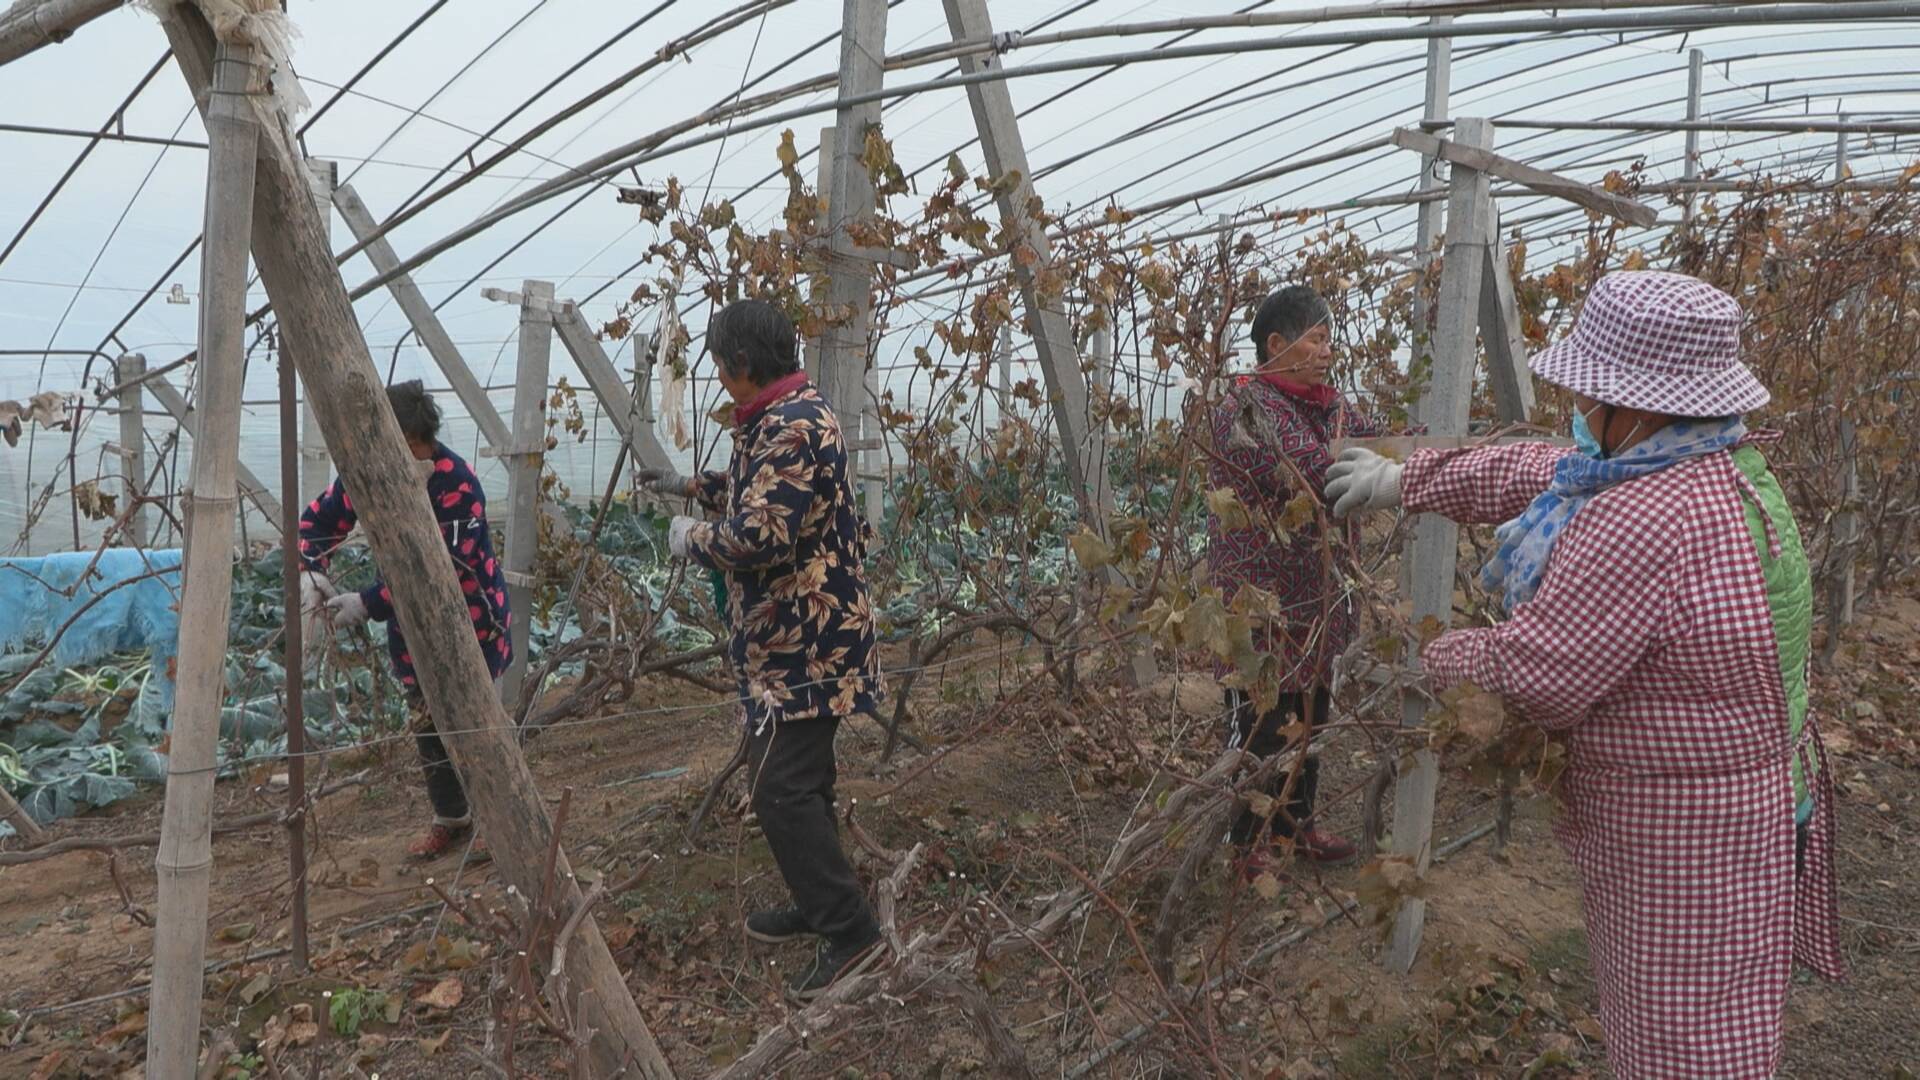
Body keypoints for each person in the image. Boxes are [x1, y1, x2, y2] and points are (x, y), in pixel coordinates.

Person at [1326, 270, 1845, 1078]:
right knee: (1716, 1019)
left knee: (1686, 1050)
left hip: (1693, 847)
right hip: (1759, 805)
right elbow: (1540, 469)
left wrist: (1420, 658)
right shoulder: (1713, 462)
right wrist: (1409, 478)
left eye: (1589, 389)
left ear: (1636, 404)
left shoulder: (1645, 517)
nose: (1575, 401)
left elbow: (1537, 672)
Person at [636, 298, 884, 1002]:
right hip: (790, 642)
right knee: (802, 784)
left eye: (720, 365)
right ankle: (819, 901)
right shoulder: (782, 416)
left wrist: (693, 538)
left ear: (743, 364)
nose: (718, 378)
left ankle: (851, 931)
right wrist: (692, 488)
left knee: (779, 791)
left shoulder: (796, 426)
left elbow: (764, 534)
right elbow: (763, 494)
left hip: (809, 644)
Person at [1207, 284, 1382, 875]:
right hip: (1261, 605)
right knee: (1260, 718)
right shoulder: (1246, 410)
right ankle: (1246, 842)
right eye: (1317, 337)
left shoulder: (1330, 405)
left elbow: (1376, 441)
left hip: (1319, 597)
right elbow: (1311, 473)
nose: (1328, 349)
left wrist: (1424, 447)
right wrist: (1381, 465)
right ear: (1277, 345)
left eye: (1329, 338)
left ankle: (1295, 825)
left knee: (1310, 712)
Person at [298, 380, 512, 860]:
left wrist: (368, 602)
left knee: (477, 726)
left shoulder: (456, 483)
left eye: (414, 446)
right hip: (411, 636)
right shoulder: (367, 477)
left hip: (472, 629)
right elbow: (316, 524)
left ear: (425, 440)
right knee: (428, 726)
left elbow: (445, 573)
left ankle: (499, 822)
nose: (407, 455)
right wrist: (313, 572)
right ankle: (451, 819)